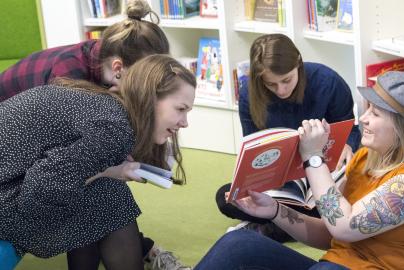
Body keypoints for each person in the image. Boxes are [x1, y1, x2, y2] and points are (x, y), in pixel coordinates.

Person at [196, 71, 404, 270]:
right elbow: (331, 232)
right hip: (332, 264)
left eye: (375, 114)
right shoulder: (366, 158)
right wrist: (276, 211)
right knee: (236, 245)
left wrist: (313, 158)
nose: (363, 119)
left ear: (402, 126)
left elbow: (345, 226)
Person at [0, 0, 178, 267]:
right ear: (119, 69)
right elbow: (54, 173)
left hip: (28, 159)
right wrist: (114, 170)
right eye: (149, 79)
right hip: (13, 168)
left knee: (104, 190)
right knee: (97, 190)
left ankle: (134, 247)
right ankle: (140, 247)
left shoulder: (106, 71)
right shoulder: (69, 77)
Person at [215, 33, 361, 242]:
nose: (281, 90)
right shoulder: (249, 93)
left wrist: (348, 144)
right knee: (227, 197)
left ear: (298, 64)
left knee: (340, 205)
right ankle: (287, 222)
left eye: (286, 80)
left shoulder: (328, 81)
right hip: (283, 184)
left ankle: (272, 226)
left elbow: (350, 127)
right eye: (271, 84)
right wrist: (252, 179)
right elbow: (253, 148)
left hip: (326, 176)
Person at [0, 0, 169, 101]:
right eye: (146, 76)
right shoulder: (68, 74)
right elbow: (65, 131)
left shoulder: (111, 50)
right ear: (118, 68)